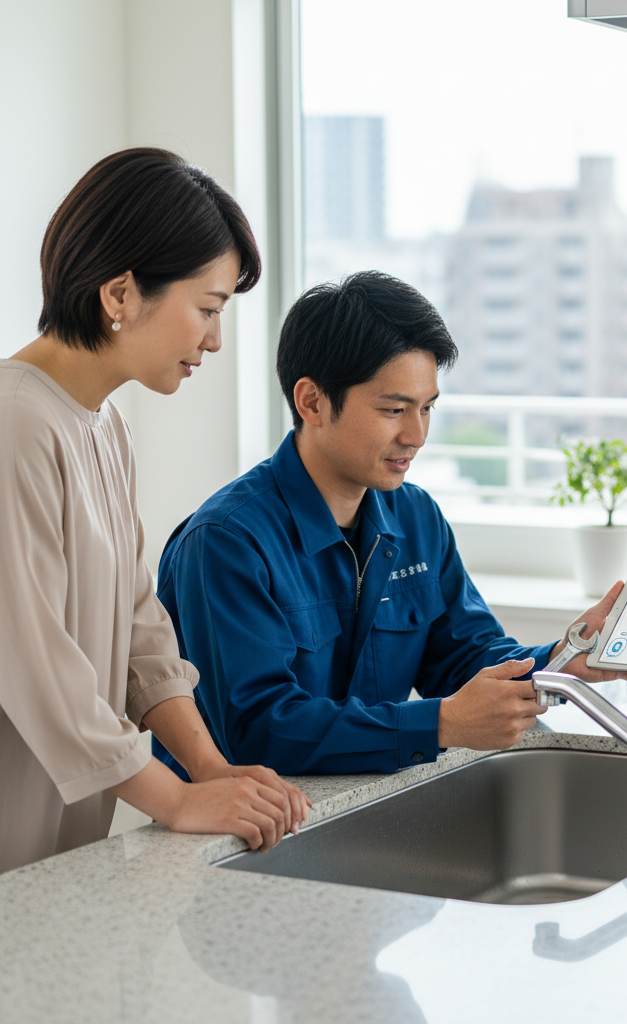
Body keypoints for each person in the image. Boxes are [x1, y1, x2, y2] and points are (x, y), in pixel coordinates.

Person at [155, 271, 627, 778]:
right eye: (394, 409)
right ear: (312, 401)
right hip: (246, 819)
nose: (417, 435)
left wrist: (560, 661)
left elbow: (464, 656)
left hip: (361, 801)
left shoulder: (416, 516)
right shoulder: (226, 542)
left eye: (427, 408)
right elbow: (260, 728)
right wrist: (439, 723)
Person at [0, 148, 309, 874]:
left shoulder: (105, 425)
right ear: (121, 293)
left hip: (59, 846)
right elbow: (36, 663)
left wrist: (209, 767)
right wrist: (173, 800)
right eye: (208, 308)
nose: (215, 339)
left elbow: (140, 629)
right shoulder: (15, 424)